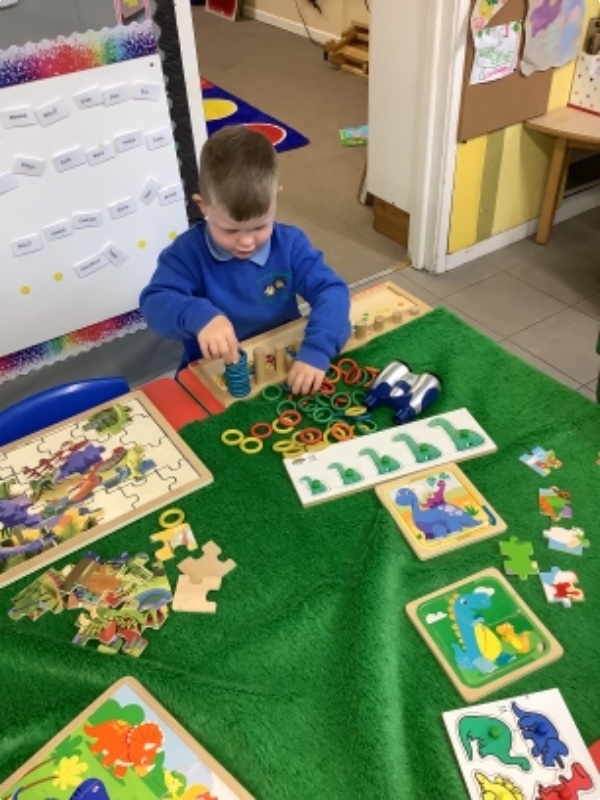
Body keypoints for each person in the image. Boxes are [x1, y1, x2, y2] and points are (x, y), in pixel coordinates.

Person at [140, 126, 351, 396]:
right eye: (230, 230)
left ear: (276, 197)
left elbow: (332, 291)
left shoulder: (290, 244)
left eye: (260, 226)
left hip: (284, 364)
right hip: (215, 375)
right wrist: (199, 316)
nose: (247, 242)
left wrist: (318, 350)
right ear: (203, 206)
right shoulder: (186, 253)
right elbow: (155, 302)